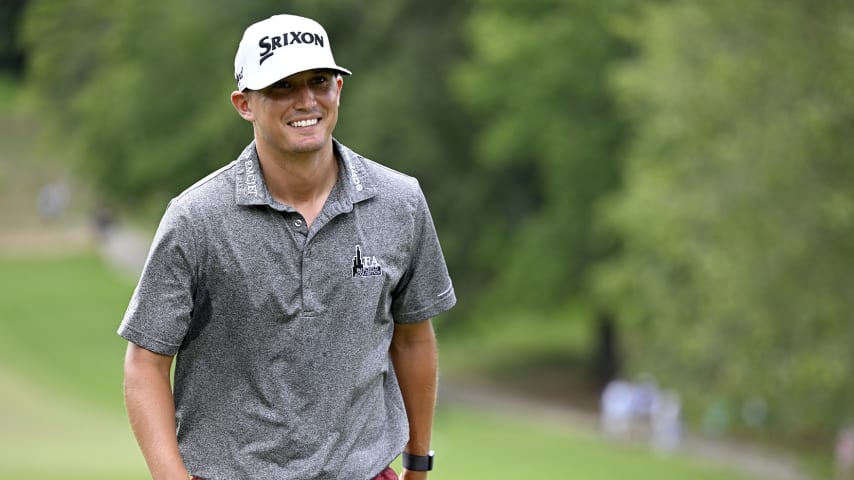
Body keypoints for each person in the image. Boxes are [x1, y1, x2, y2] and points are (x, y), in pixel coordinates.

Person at [118, 13, 456, 480]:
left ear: (339, 87)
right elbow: (145, 364)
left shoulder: (399, 202)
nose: (305, 101)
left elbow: (414, 338)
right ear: (244, 104)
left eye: (319, 81)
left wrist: (418, 464)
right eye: (281, 86)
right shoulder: (196, 218)